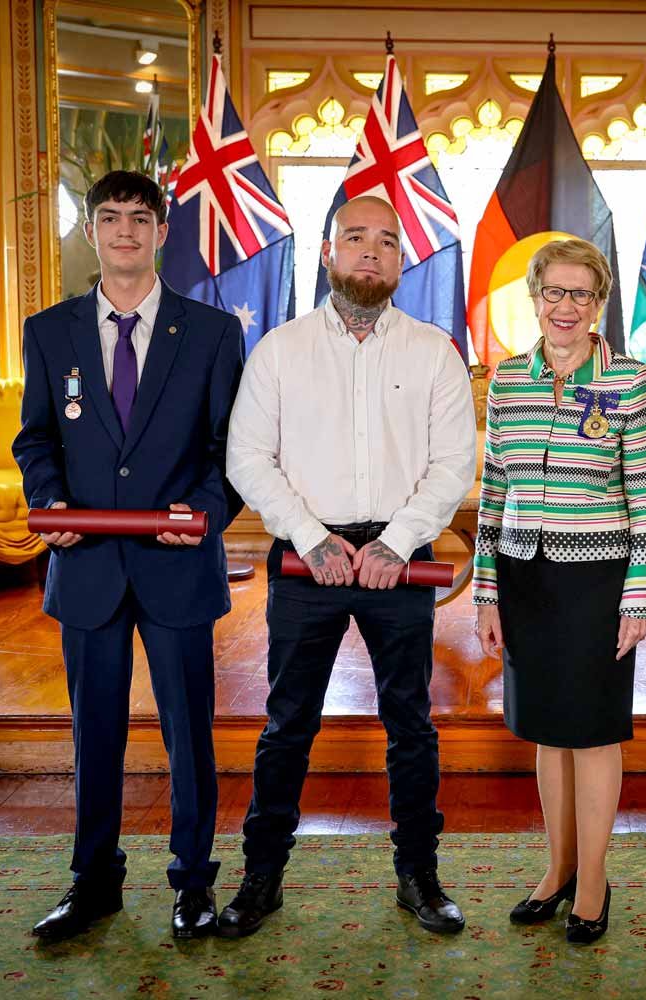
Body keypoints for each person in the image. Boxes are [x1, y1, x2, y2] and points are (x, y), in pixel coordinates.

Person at [219, 195, 477, 938]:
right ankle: (261, 877)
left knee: (411, 722)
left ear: (402, 262)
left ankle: (419, 876)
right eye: (356, 238)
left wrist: (398, 542)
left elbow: (452, 464)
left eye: (387, 241)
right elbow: (248, 457)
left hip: (402, 561)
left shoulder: (432, 351)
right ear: (329, 253)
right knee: (287, 723)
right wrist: (310, 537)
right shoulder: (280, 350)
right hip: (309, 562)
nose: (371, 251)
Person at [13, 169, 245, 942]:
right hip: (86, 569)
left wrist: (208, 514)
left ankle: (192, 884)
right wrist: (48, 503)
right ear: (90, 229)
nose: (123, 232)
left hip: (176, 566)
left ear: (160, 231)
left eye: (139, 219)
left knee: (189, 734)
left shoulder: (213, 333)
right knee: (95, 733)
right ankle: (93, 884)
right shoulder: (48, 332)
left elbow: (228, 454)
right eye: (109, 218)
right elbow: (35, 439)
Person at [474, 238, 646, 945]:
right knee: (548, 732)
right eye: (553, 292)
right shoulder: (506, 382)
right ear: (534, 298)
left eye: (580, 294)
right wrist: (486, 594)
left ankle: (593, 882)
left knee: (591, 732)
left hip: (599, 579)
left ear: (598, 304)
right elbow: (493, 493)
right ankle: (555, 871)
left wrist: (641, 596)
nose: (565, 307)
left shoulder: (632, 382)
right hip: (526, 577)